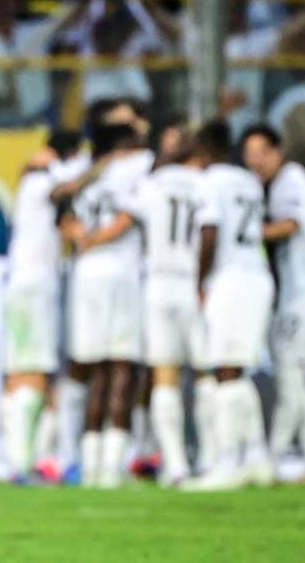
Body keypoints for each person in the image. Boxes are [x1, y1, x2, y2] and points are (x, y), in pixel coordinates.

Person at [77, 132, 207, 487]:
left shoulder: (148, 186)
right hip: (193, 282)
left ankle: (171, 466)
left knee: (156, 374)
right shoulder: (206, 184)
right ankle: (213, 461)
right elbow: (210, 232)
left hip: (155, 283)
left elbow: (124, 215)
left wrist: (86, 239)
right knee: (208, 374)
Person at [241, 123, 305, 486]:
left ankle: (271, 457)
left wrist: (246, 233)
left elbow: (289, 225)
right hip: (293, 294)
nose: (255, 162)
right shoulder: (273, 184)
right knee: (295, 377)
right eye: (249, 155)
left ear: (277, 152)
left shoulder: (291, 180)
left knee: (288, 374)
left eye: (260, 153)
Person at [184, 120, 275, 492]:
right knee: (238, 371)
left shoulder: (209, 182)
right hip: (257, 274)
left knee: (223, 370)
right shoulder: (248, 180)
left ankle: (226, 463)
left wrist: (199, 281)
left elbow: (209, 232)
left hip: (230, 278)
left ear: (202, 151)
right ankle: (256, 459)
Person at [63, 121, 153, 488]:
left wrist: (83, 239)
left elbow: (61, 213)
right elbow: (128, 218)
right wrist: (99, 238)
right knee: (121, 367)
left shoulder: (80, 175)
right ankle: (113, 466)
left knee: (93, 369)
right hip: (120, 274)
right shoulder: (136, 168)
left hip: (86, 275)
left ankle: (91, 464)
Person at [0, 133, 67, 483]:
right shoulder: (46, 180)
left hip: (20, 284)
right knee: (35, 372)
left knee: (21, 372)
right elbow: (65, 189)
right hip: (35, 285)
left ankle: (26, 459)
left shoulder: (31, 182)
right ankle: (30, 461)